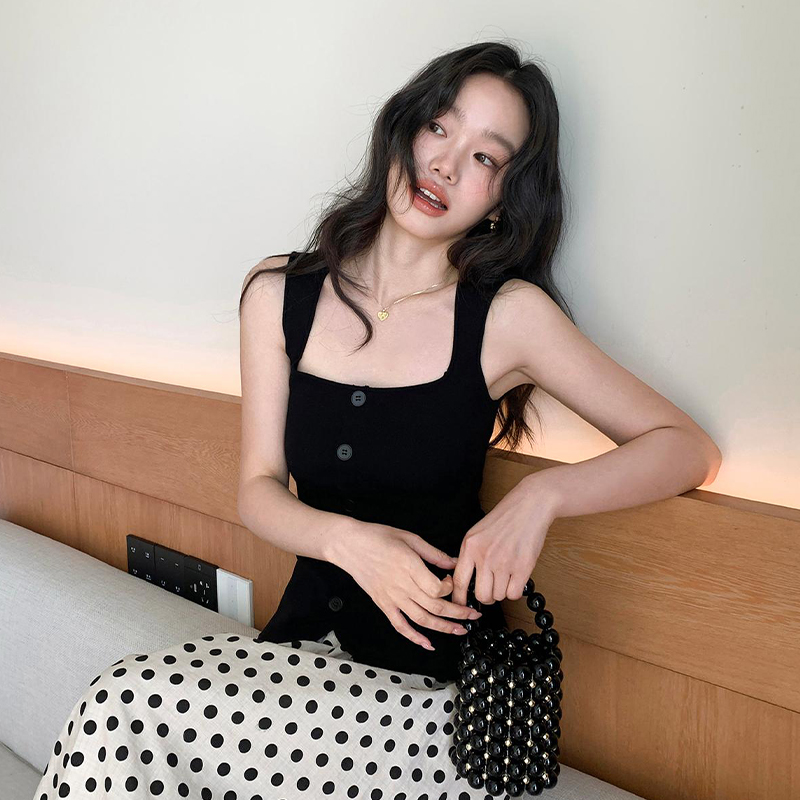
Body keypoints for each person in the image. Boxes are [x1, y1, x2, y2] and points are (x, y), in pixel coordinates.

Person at [35, 41, 721, 800]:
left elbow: (685, 448)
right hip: (303, 655)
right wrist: (350, 544)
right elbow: (258, 489)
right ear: (402, 129)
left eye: (486, 157)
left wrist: (541, 497)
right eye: (439, 127)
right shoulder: (278, 294)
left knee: (130, 705)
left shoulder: (506, 318)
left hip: (437, 697)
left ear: (503, 197)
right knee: (127, 709)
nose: (447, 165)